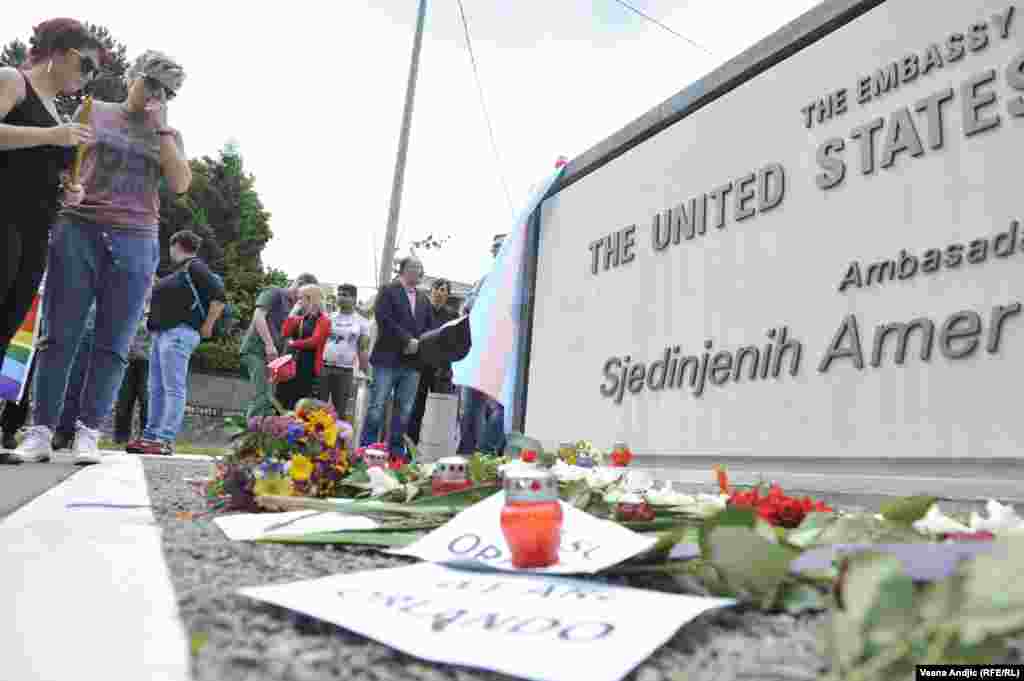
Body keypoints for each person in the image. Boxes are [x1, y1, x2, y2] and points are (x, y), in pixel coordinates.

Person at [12, 49, 191, 465]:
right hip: (79, 227)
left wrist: (162, 129)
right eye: (151, 83)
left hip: (136, 236)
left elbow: (181, 184)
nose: (155, 94)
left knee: (114, 342)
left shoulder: (169, 134)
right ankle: (40, 431)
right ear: (134, 77)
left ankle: (88, 431)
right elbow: (62, 160)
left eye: (167, 91)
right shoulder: (93, 110)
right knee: (60, 333)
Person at [0, 19, 99, 363]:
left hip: (37, 229)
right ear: (60, 53)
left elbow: (44, 171)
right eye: (86, 64)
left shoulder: (60, 113)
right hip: (4, 217)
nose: (87, 76)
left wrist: (71, 190)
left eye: (94, 72)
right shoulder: (14, 80)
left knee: (7, 326)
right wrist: (51, 136)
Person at [130, 230, 224, 456]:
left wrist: (207, 326)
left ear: (176, 246)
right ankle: (151, 436)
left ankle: (164, 439)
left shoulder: (195, 266)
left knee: (172, 388)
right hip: (162, 334)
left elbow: (219, 296)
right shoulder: (180, 271)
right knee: (156, 388)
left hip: (179, 333)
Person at [359, 256, 435, 457]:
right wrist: (407, 340)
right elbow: (384, 319)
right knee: (377, 407)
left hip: (412, 364)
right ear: (403, 270)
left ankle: (395, 455)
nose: (419, 271)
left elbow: (429, 327)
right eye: (414, 267)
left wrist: (421, 344)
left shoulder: (423, 299)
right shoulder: (387, 291)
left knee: (404, 411)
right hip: (387, 360)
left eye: (421, 268)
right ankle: (366, 451)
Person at [0, 302, 94, 460]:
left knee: (22, 371)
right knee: (16, 366)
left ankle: (10, 428)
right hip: (28, 305)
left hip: (43, 311)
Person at [239, 273, 318, 419]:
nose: (302, 299)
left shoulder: (292, 306)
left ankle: (260, 433)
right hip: (256, 351)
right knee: (262, 394)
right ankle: (251, 433)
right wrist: (269, 345)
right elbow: (258, 316)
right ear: (298, 283)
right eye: (304, 294)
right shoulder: (274, 292)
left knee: (268, 396)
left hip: (272, 358)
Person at [458, 234, 507, 455]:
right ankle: (467, 455)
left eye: (501, 246)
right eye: (494, 247)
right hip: (477, 352)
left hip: (503, 352)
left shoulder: (518, 276)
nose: (497, 251)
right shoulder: (483, 281)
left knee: (502, 408)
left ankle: (486, 453)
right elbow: (467, 310)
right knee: (471, 409)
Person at [407, 278, 458, 444]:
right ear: (431, 291)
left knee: (439, 410)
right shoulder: (421, 310)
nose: (440, 292)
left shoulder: (452, 315)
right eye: (437, 288)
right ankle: (411, 446)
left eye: (444, 290)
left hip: (441, 369)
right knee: (416, 409)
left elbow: (454, 342)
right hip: (421, 367)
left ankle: (436, 445)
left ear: (448, 295)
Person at [318, 284, 370, 421]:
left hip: (345, 371)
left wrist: (365, 371)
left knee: (340, 412)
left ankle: (337, 441)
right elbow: (319, 341)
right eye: (339, 294)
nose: (340, 297)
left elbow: (363, 348)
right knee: (317, 410)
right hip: (324, 367)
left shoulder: (362, 322)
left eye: (345, 295)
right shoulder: (328, 317)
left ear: (354, 299)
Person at [277, 285, 330, 411]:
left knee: (300, 404)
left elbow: (314, 341)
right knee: (282, 399)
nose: (298, 301)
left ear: (310, 299)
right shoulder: (300, 319)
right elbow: (284, 332)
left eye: (301, 298)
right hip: (292, 366)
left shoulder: (323, 320)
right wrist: (292, 313)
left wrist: (293, 343)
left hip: (308, 367)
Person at [113, 288, 152, 444]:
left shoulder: (158, 310)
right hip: (127, 359)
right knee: (124, 399)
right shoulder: (130, 307)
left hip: (149, 360)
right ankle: (121, 437)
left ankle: (145, 436)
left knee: (146, 398)